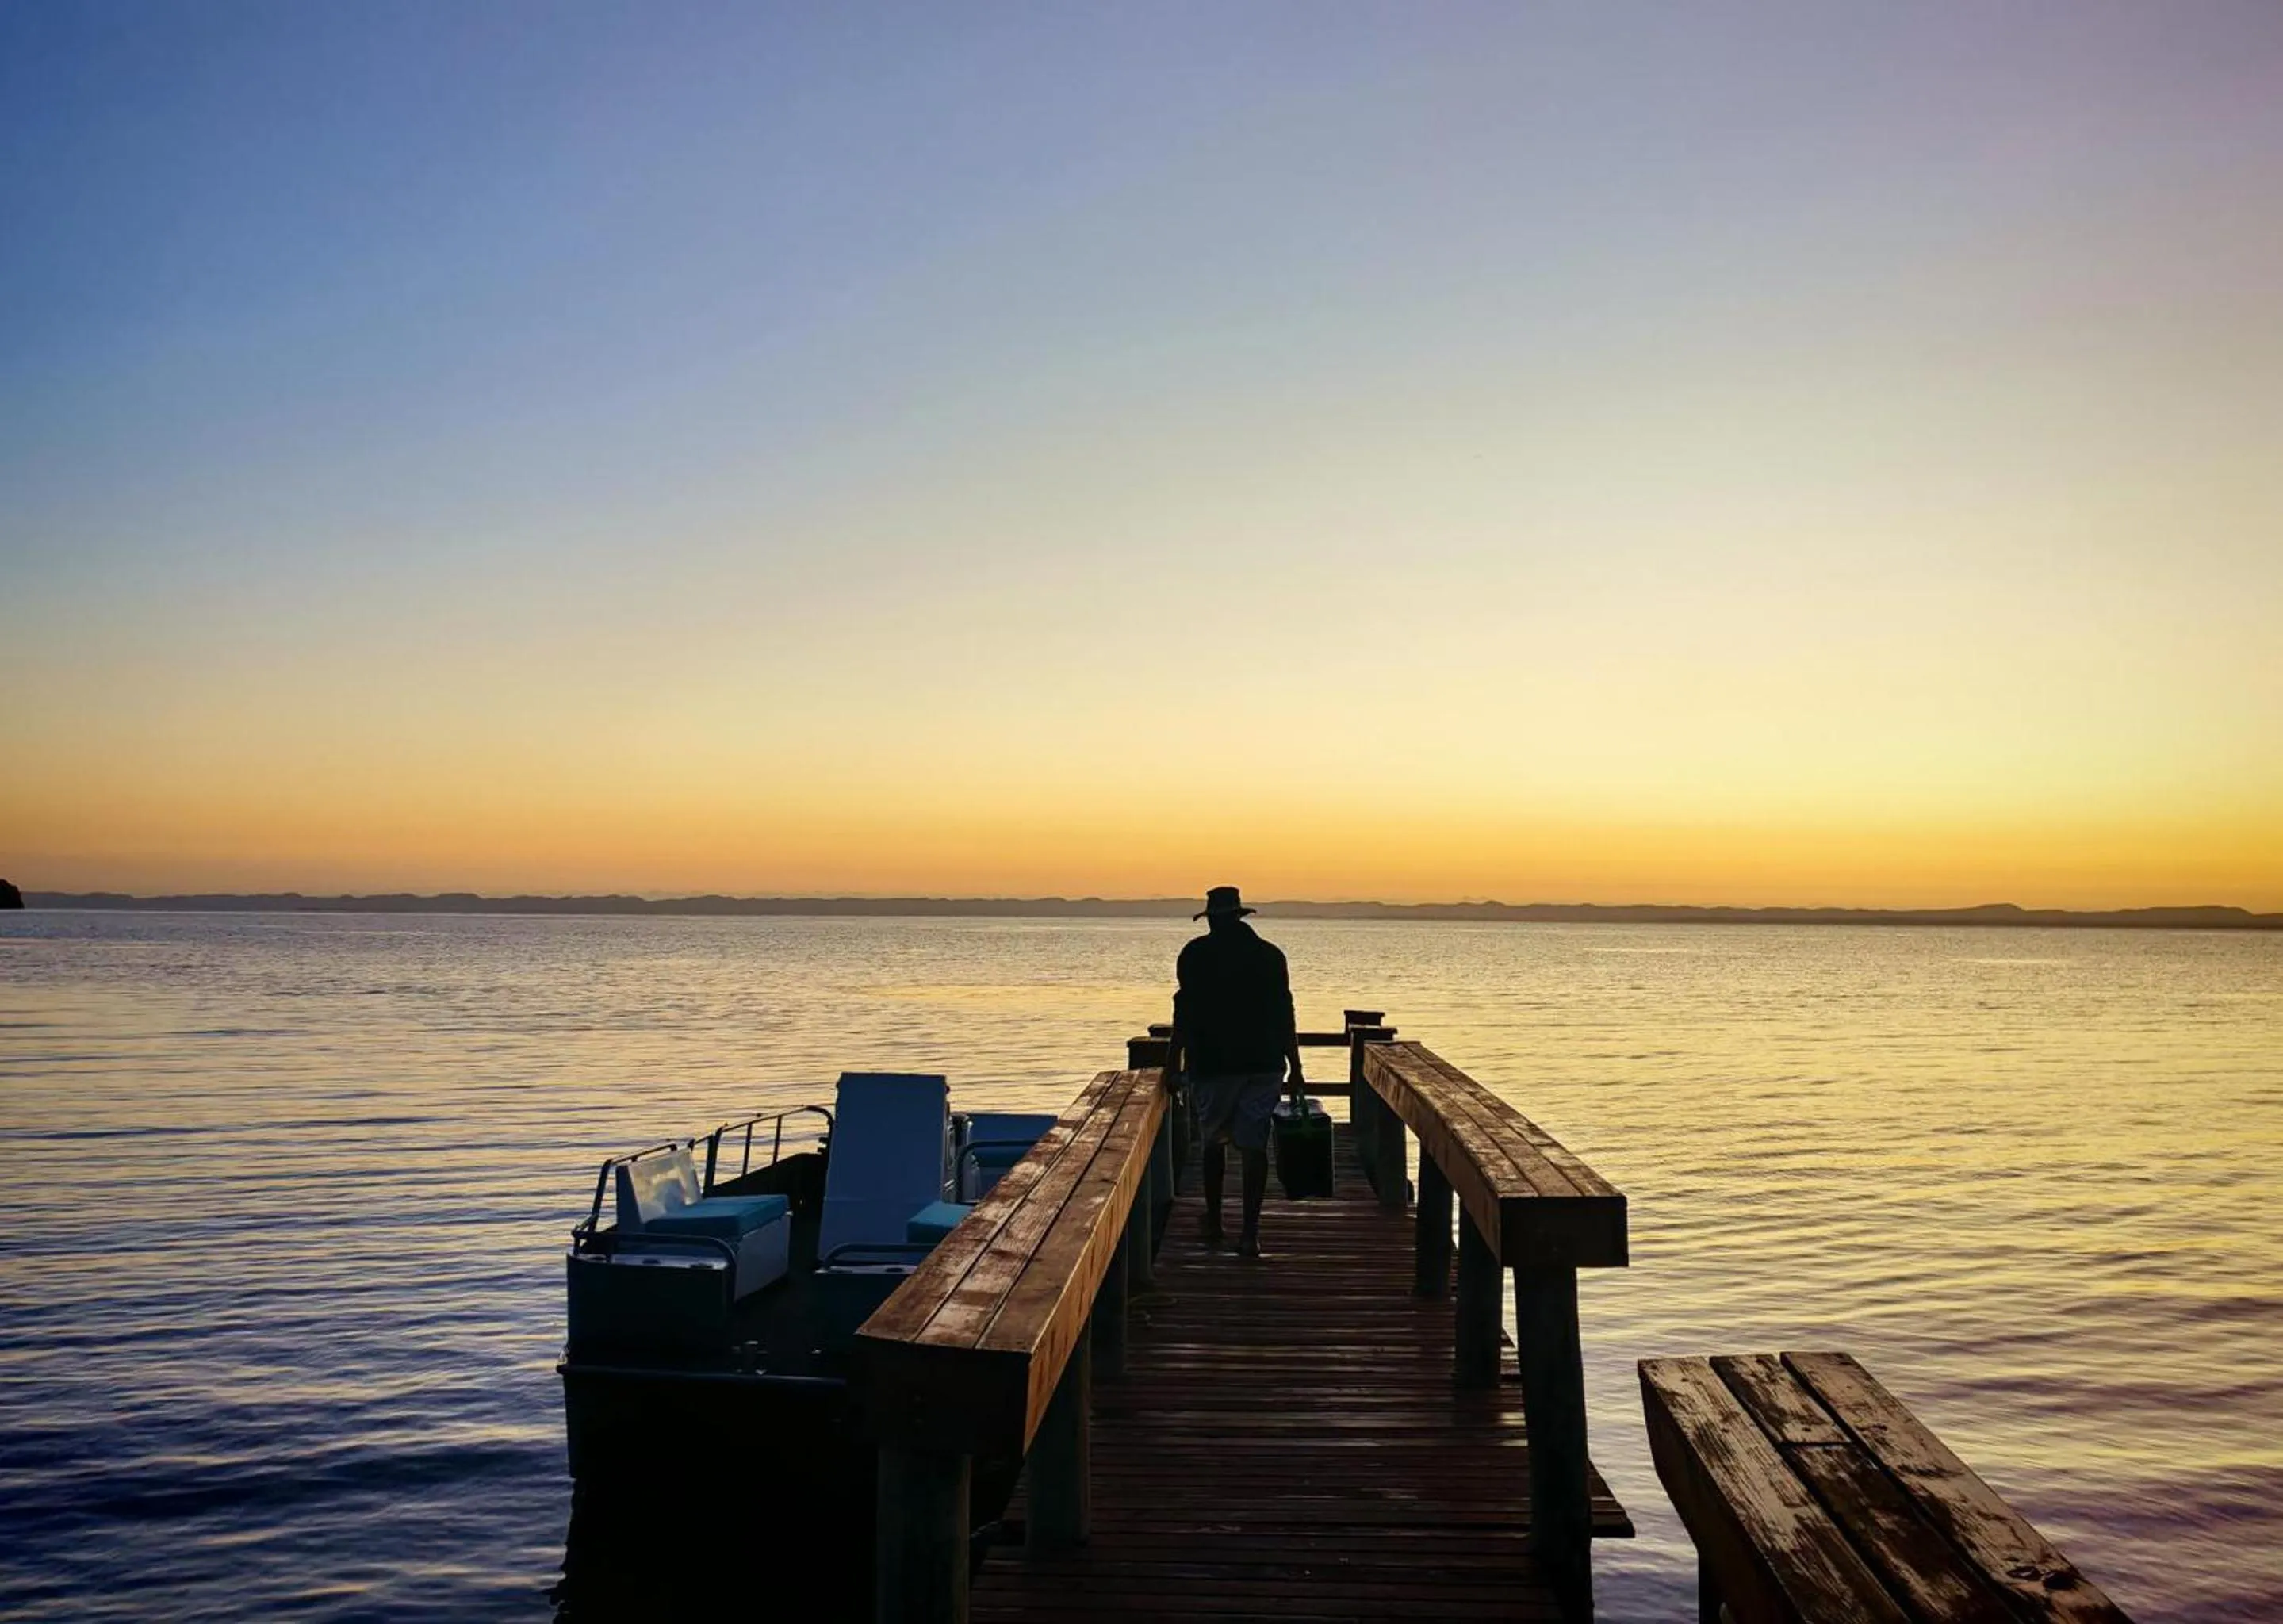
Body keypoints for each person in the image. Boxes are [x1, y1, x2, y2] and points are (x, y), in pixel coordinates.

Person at [1170, 885, 1304, 1258]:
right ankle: (1250, 1232)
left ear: (1212, 919)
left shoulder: (1194, 956)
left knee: (1214, 1142)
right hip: (1263, 1064)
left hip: (1213, 1066)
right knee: (1254, 1145)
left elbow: (1183, 1015)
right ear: (1240, 917)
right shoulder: (1269, 957)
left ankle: (1215, 1220)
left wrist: (1171, 1065)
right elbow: (1284, 1013)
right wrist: (1297, 1066)